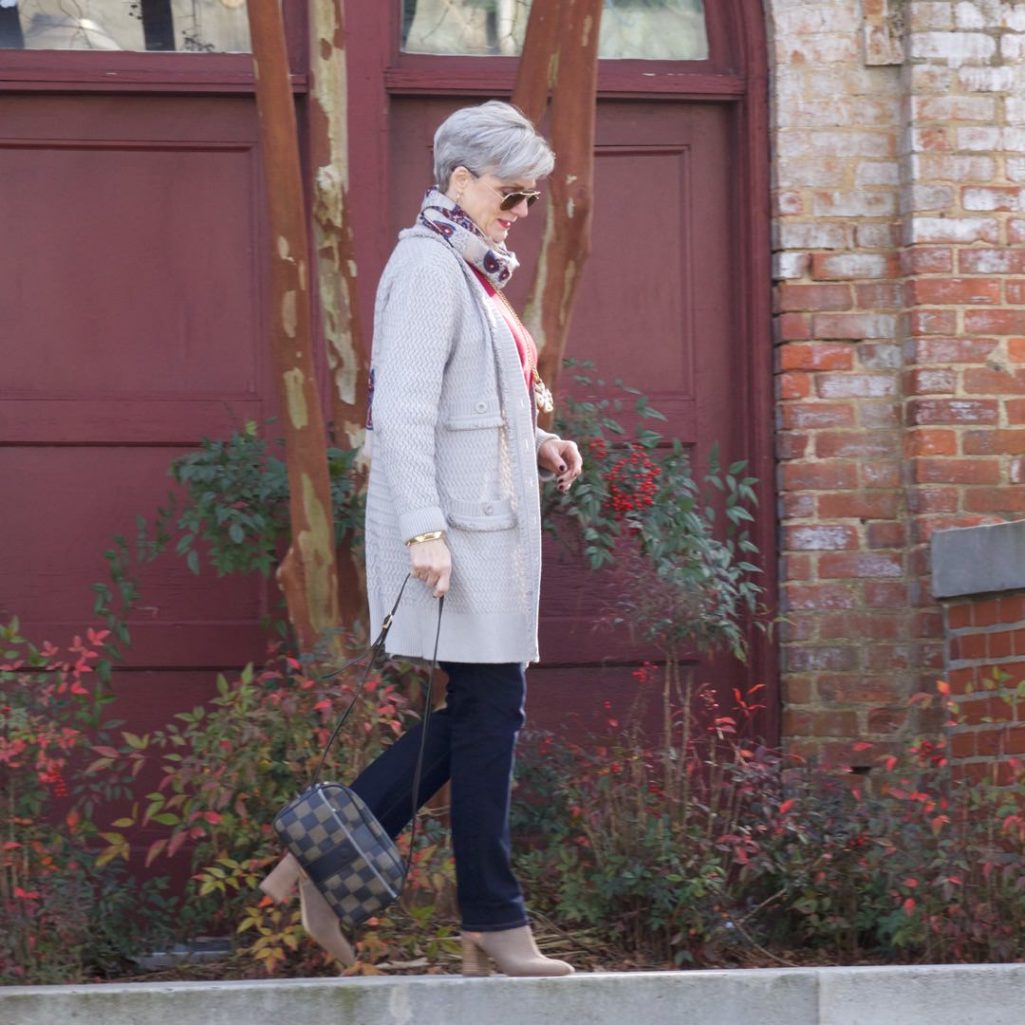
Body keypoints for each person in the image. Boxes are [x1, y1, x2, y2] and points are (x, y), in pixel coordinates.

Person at [262, 100, 583, 977]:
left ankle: (320, 859)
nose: (521, 211)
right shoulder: (428, 269)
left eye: (531, 197)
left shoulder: (471, 272)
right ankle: (491, 919)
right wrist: (423, 533)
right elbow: (399, 414)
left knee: (484, 711)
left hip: (486, 530)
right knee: (490, 713)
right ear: (460, 180)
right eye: (512, 194)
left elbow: (463, 407)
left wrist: (537, 440)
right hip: (457, 537)